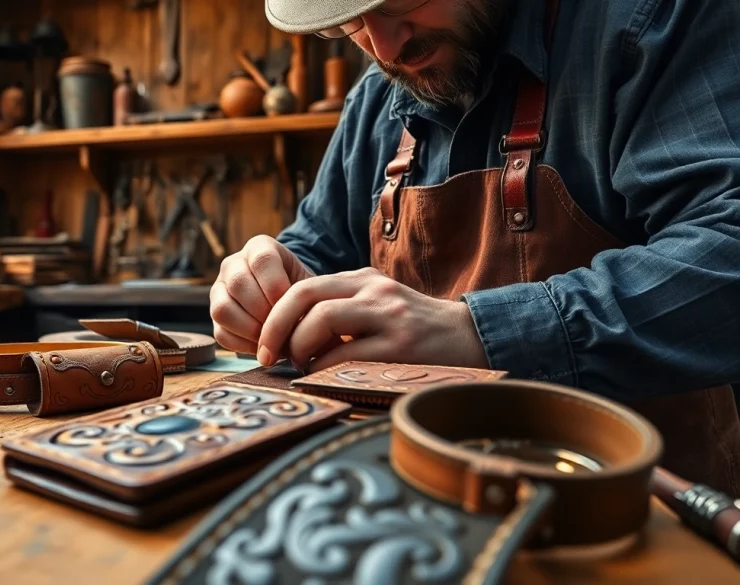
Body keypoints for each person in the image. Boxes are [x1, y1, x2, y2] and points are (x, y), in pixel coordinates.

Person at [208, 0, 740, 496]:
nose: (384, 47)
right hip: (418, 500)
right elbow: (318, 249)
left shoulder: (647, 23)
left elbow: (727, 249)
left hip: (636, 512)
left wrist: (481, 335)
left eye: (401, 1)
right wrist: (269, 280)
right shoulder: (376, 98)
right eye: (348, 22)